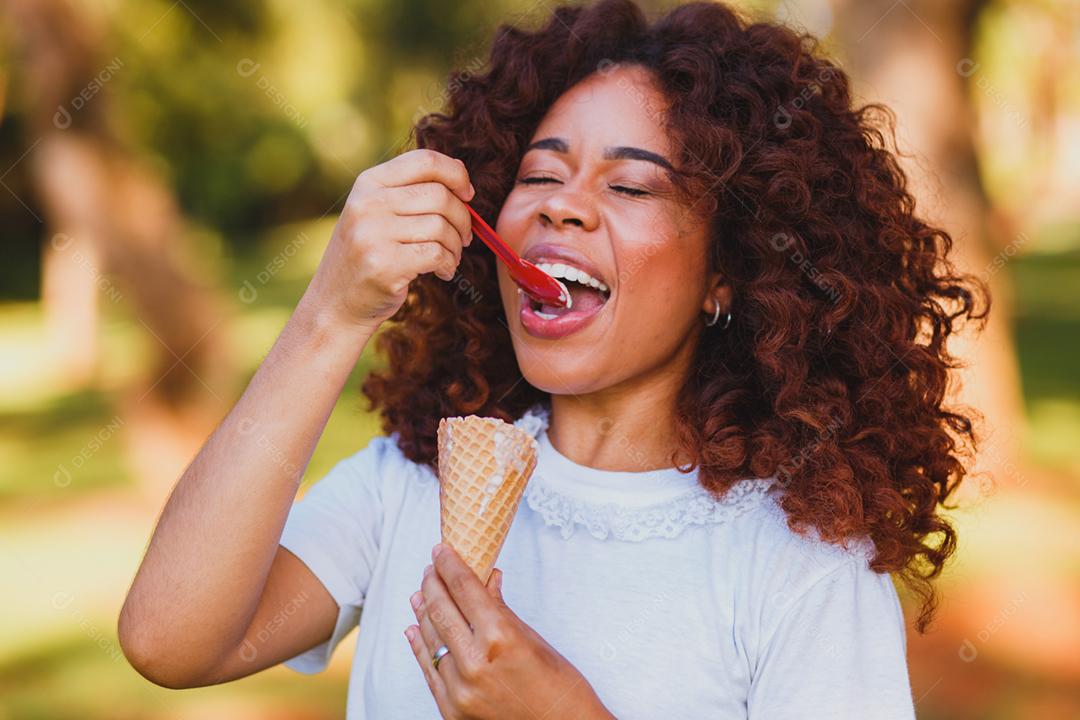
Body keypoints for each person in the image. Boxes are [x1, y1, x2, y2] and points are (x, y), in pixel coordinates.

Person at [118, 0, 990, 717]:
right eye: (540, 174)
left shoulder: (800, 565)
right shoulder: (407, 484)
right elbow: (170, 640)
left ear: (727, 273)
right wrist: (331, 312)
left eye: (629, 184)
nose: (563, 209)